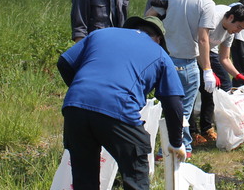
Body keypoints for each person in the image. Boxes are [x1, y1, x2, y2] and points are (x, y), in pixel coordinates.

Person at [57, 16, 186, 190]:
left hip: (75, 108)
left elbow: (64, 62)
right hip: (118, 108)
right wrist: (176, 143)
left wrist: (81, 92)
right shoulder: (159, 53)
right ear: (158, 38)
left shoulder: (102, 34)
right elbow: (173, 103)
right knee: (136, 175)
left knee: (84, 180)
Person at [147, 0, 231, 156]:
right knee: (183, 110)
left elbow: (150, 16)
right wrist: (207, 70)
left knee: (169, 106)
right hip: (187, 63)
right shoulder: (207, 3)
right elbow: (203, 39)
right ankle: (177, 148)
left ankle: (170, 148)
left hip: (166, 60)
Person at [189, 0, 244, 145]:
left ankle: (206, 127)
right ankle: (191, 131)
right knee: (194, 89)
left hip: (210, 52)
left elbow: (224, 58)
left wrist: (238, 75)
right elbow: (199, 44)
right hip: (191, 50)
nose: (237, 31)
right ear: (230, 18)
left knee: (217, 87)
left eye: (241, 29)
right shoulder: (213, 19)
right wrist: (208, 71)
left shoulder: (230, 31)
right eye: (238, 27)